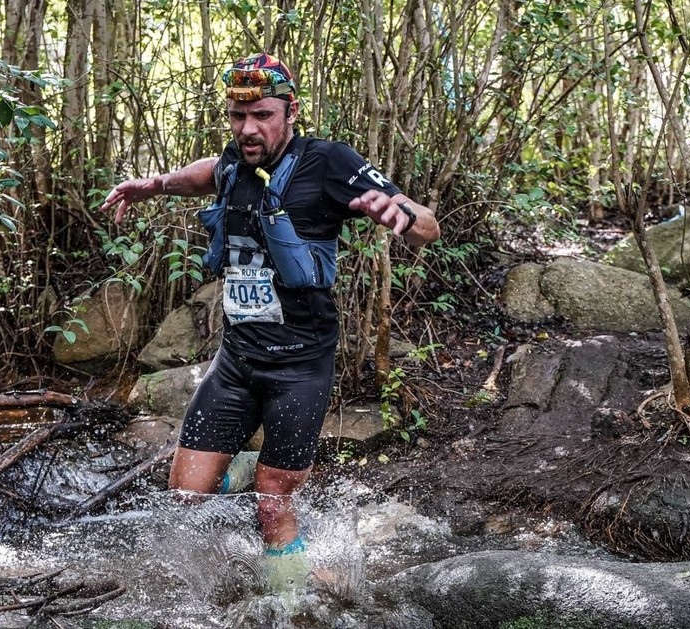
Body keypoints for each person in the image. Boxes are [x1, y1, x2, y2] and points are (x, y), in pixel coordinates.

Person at [101, 52, 440, 592]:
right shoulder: (235, 162)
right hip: (236, 364)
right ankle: (244, 474)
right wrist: (155, 184)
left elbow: (428, 227)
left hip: (299, 367)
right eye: (238, 117)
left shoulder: (328, 162)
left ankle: (287, 607)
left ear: (291, 111)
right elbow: (206, 174)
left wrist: (398, 214)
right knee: (184, 498)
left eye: (262, 115)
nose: (248, 129)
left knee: (272, 502)